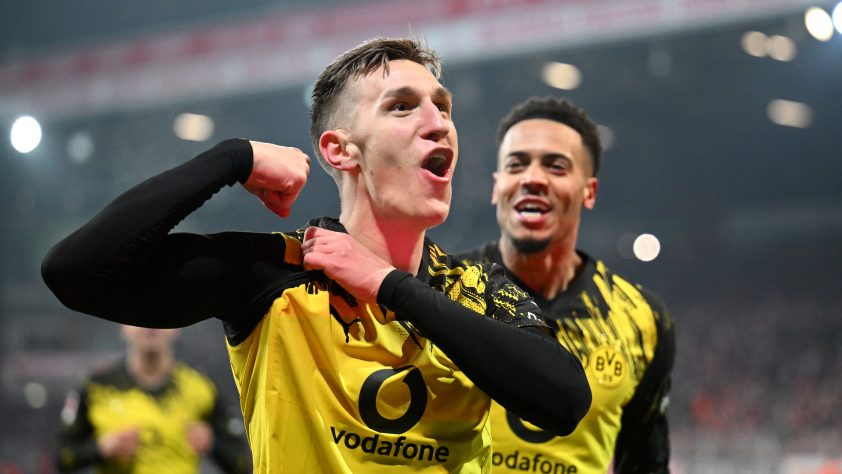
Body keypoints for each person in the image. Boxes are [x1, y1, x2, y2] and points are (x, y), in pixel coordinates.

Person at [42, 38, 591, 472]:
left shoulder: (479, 287)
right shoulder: (275, 274)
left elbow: (564, 400)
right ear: (339, 150)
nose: (438, 122)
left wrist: (387, 284)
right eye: (402, 107)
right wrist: (231, 159)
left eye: (443, 107)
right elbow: (75, 272)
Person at [457, 96, 675, 473]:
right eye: (516, 165)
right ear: (496, 186)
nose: (532, 178)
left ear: (589, 191)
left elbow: (646, 464)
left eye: (555, 166)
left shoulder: (643, 320)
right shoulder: (446, 289)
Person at [55, 325, 251, 473]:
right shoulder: (96, 387)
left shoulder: (202, 387)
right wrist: (101, 448)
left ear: (177, 326)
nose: (150, 324)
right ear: (123, 326)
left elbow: (244, 462)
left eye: (160, 314)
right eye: (138, 315)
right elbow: (62, 457)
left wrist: (213, 444)